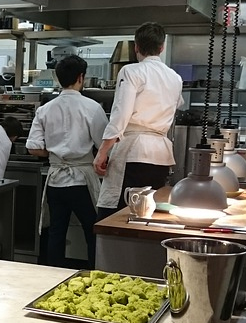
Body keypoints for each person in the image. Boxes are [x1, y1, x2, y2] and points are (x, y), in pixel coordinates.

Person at [93, 22, 184, 220]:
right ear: (162, 47)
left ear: (136, 47)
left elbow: (120, 114)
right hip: (160, 155)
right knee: (150, 215)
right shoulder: (175, 78)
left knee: (118, 216)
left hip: (134, 152)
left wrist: (102, 152)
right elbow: (176, 104)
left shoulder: (131, 71)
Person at [27, 55, 108, 268]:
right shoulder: (92, 107)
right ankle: (94, 274)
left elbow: (33, 147)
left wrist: (54, 155)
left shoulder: (44, 109)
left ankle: (52, 277)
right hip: (82, 180)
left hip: (55, 181)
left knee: (56, 232)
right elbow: (105, 145)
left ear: (57, 77)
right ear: (81, 77)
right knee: (92, 231)